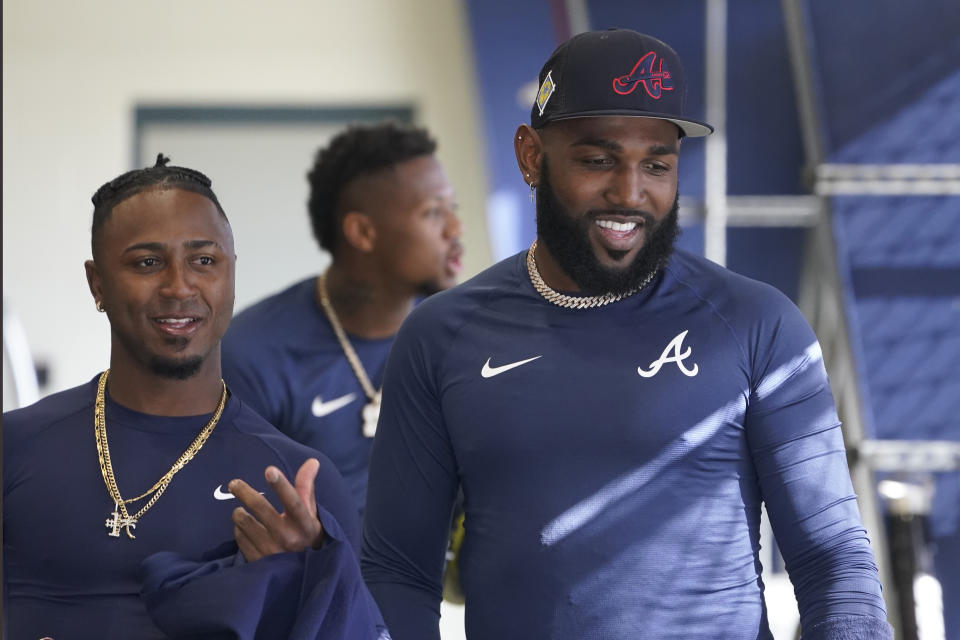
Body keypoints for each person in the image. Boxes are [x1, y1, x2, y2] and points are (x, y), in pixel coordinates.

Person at [360, 29, 893, 639]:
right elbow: (397, 568)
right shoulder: (441, 335)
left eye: (657, 165)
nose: (630, 192)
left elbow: (834, 559)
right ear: (531, 156)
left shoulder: (755, 325)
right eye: (598, 160)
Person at [2, 156, 386, 639]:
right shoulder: (16, 446)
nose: (179, 285)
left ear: (230, 274)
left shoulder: (298, 486)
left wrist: (309, 580)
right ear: (97, 283)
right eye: (147, 263)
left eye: (204, 261)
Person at [221, 122, 464, 512]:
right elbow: (234, 519)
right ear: (362, 232)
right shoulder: (253, 354)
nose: (456, 228)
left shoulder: (461, 334)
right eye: (433, 212)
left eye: (453, 209)